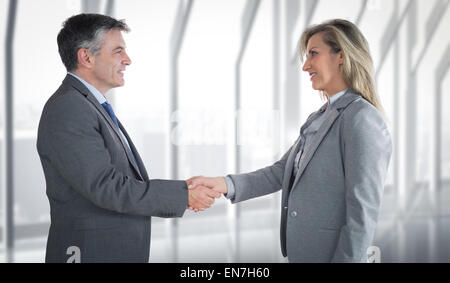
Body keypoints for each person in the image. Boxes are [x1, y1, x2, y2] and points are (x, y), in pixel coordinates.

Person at [188, 19, 392, 263]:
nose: (306, 66)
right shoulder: (319, 117)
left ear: (341, 56)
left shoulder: (362, 118)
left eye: (313, 54)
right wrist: (224, 184)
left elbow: (362, 213)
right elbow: (281, 172)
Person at [37, 13, 219, 263]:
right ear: (86, 57)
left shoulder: (89, 105)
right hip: (89, 253)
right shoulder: (69, 107)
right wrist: (181, 196)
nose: (128, 60)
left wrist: (182, 191)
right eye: (118, 51)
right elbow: (106, 187)